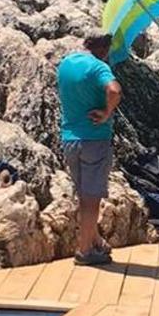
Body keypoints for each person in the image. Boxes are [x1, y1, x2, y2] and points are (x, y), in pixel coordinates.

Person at [56, 33, 122, 265]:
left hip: (69, 138)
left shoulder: (65, 63)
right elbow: (114, 90)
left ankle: (94, 240)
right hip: (94, 139)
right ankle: (84, 251)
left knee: (83, 196)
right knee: (92, 198)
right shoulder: (98, 67)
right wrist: (106, 113)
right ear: (104, 49)